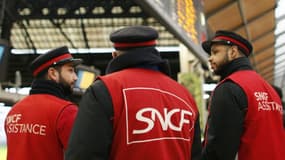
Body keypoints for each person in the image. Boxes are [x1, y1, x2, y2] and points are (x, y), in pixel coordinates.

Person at [65, 26, 202, 160]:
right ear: (154, 53)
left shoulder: (104, 90)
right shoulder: (185, 96)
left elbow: (83, 154)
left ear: (115, 56)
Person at [201, 30, 285, 160]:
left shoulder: (230, 87)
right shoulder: (270, 90)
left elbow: (219, 151)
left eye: (215, 52)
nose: (210, 58)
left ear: (233, 52)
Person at [5, 46, 82, 160]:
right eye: (70, 70)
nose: (75, 77)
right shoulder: (66, 111)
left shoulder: (13, 111)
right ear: (53, 73)